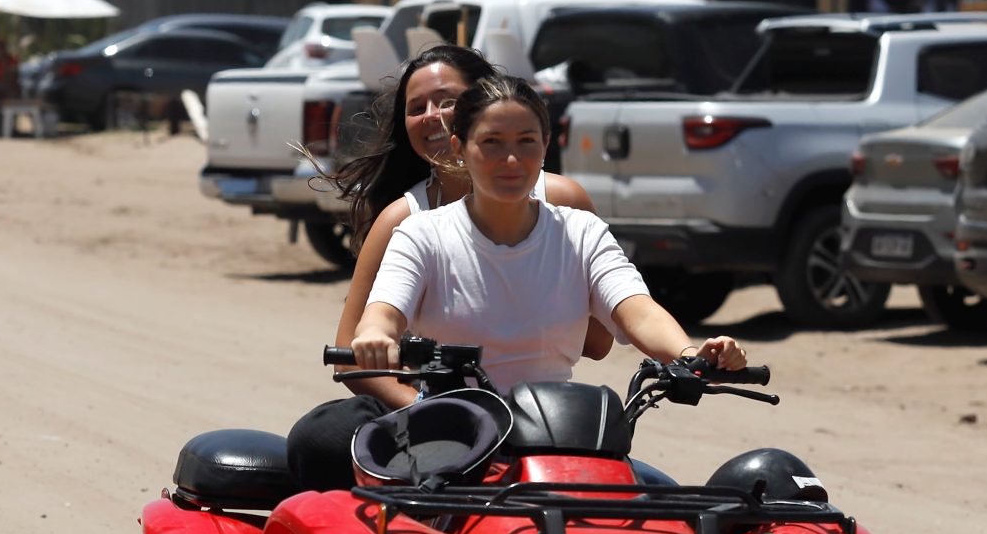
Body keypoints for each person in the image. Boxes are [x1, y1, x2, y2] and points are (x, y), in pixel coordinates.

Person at [284, 45, 607, 486]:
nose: (433, 116)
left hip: (544, 417)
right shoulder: (405, 221)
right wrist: (436, 414)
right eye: (417, 108)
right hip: (436, 416)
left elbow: (599, 338)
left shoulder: (565, 206)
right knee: (321, 437)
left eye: (448, 101)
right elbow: (354, 352)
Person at [348, 72, 743, 388]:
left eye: (526, 142)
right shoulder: (420, 234)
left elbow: (637, 312)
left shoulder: (581, 232)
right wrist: (376, 337)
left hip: (557, 431)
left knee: (648, 488)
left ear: (546, 145)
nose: (511, 159)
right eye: (491, 142)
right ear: (459, 147)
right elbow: (383, 313)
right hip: (450, 434)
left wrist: (690, 354)